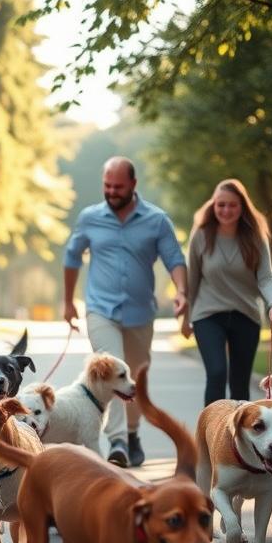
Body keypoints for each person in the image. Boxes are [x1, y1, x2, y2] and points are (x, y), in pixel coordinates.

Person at [63, 156, 187, 468]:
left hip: (140, 314)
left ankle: (132, 434)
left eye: (118, 186)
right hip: (100, 310)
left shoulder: (157, 220)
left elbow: (174, 259)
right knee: (113, 371)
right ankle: (117, 440)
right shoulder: (90, 218)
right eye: (107, 185)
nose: (112, 191)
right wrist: (67, 301)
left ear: (133, 184)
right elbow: (72, 256)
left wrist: (182, 292)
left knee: (134, 379)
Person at [181, 179, 272, 404]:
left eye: (232, 205)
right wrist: (185, 318)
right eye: (221, 205)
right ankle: (209, 435)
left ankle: (240, 438)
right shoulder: (201, 235)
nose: (226, 210)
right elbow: (192, 279)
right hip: (208, 315)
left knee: (240, 383)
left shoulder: (255, 237)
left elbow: (266, 277)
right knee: (217, 372)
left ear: (242, 207)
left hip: (245, 314)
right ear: (213, 205)